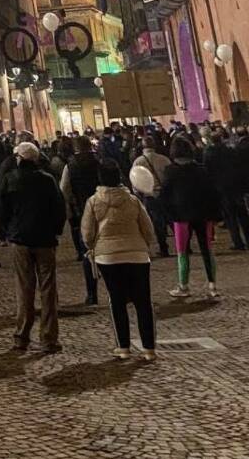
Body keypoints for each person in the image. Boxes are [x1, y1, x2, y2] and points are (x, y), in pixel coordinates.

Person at [82, 160, 158, 361]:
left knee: (117, 300)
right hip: (137, 254)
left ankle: (123, 346)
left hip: (108, 257)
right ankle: (149, 348)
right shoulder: (133, 200)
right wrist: (145, 244)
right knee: (143, 302)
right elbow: (148, 228)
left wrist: (92, 247)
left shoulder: (93, 201)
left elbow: (87, 233)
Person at [0, 142, 66, 354]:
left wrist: (8, 232)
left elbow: (1, 210)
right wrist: (55, 231)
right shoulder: (48, 180)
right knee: (48, 290)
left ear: (19, 158)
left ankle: (22, 336)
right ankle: (49, 338)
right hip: (45, 240)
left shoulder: (9, 179)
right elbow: (59, 208)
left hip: (20, 240)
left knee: (24, 289)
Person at [160, 137, 221, 299]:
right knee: (207, 250)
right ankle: (213, 285)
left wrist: (168, 215)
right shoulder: (202, 170)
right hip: (203, 215)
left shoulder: (170, 171)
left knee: (182, 252)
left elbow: (164, 196)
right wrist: (216, 215)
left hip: (181, 217)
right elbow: (213, 193)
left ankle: (184, 285)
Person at [60, 136, 101, 305]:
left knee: (87, 252)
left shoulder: (70, 165)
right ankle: (120, 289)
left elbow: (64, 189)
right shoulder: (99, 161)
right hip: (101, 208)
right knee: (107, 249)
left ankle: (92, 294)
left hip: (82, 210)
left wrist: (69, 207)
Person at [204, 132, 249, 250]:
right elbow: (239, 169)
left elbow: (208, 172)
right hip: (236, 187)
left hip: (221, 189)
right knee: (243, 214)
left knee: (230, 217)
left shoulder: (209, 154)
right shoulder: (231, 151)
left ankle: (238, 242)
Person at [130, 136, 172, 258]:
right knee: (170, 219)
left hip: (149, 195)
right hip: (164, 193)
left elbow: (135, 179)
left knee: (156, 222)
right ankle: (184, 244)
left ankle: (163, 246)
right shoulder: (164, 159)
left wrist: (137, 193)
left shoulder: (138, 161)